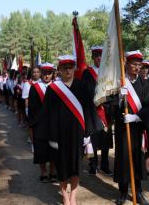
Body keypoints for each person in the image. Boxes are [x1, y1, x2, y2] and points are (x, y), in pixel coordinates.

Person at [37, 55, 102, 205]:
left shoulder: (82, 87)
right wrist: (52, 137)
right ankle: (64, 196)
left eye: (70, 67)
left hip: (78, 134)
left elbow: (88, 111)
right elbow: (47, 115)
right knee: (62, 167)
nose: (68, 70)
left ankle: (73, 196)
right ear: (59, 70)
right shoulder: (53, 89)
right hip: (59, 135)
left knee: (75, 167)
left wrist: (87, 134)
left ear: (74, 68)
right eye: (64, 67)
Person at [114, 50, 149, 205]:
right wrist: (119, 99)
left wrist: (136, 117)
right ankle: (123, 192)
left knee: (137, 159)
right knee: (123, 158)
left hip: (138, 128)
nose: (137, 67)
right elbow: (110, 105)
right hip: (123, 129)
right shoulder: (119, 83)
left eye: (139, 65)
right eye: (134, 64)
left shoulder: (146, 83)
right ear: (127, 64)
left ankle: (138, 191)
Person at [81, 46, 113, 176]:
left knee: (105, 139)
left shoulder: (109, 73)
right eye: (97, 56)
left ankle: (104, 165)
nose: (99, 58)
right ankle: (93, 165)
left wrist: (108, 103)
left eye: (101, 56)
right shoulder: (87, 73)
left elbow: (113, 90)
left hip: (106, 110)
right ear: (93, 58)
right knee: (93, 138)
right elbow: (85, 91)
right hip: (93, 110)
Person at [27, 63, 56, 183]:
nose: (46, 76)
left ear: (52, 74)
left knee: (54, 149)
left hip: (54, 125)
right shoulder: (35, 88)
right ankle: (43, 173)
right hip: (40, 124)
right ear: (41, 73)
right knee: (41, 149)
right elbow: (32, 108)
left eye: (49, 73)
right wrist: (35, 124)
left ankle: (52, 172)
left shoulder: (57, 87)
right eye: (44, 73)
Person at [22, 66, 41, 152]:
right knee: (32, 127)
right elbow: (26, 98)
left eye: (37, 72)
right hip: (32, 109)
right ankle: (33, 144)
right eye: (34, 72)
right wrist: (26, 109)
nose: (36, 74)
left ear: (40, 73)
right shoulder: (27, 84)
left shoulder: (44, 83)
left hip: (43, 110)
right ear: (31, 73)